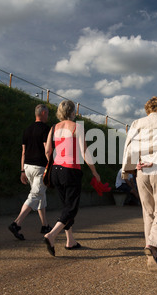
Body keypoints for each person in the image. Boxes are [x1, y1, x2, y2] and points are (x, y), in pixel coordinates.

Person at [121, 96, 157, 272]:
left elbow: (129, 146)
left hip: (141, 170)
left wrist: (127, 169)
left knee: (148, 212)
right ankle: (153, 245)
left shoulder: (137, 122)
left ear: (148, 108)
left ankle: (152, 252)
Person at [43, 100, 101, 256]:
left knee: (66, 206)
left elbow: (48, 151)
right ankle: (51, 235)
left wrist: (52, 165)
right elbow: (85, 152)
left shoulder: (53, 128)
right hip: (70, 170)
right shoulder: (77, 127)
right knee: (71, 208)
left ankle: (70, 241)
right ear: (72, 112)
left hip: (56, 170)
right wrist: (94, 171)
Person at [8, 104, 51, 240]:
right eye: (48, 113)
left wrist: (22, 171)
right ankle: (17, 223)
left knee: (40, 194)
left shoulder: (27, 130)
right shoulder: (46, 129)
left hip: (27, 167)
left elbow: (23, 152)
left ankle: (45, 225)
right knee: (35, 194)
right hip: (40, 167)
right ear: (43, 113)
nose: (48, 116)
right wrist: (52, 166)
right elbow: (47, 149)